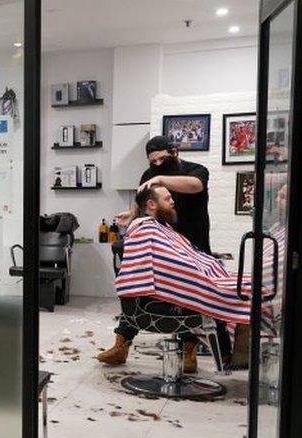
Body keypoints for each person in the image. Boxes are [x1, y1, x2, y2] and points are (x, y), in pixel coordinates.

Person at [99, 136, 241, 370]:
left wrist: (160, 178)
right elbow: (145, 201)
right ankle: (121, 345)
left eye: (161, 159)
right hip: (164, 247)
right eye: (152, 162)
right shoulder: (150, 175)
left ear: (174, 152)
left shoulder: (195, 170)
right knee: (141, 288)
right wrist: (131, 213)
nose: (156, 165)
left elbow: (196, 185)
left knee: (192, 293)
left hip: (191, 246)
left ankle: (190, 353)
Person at [115, 183, 251, 329]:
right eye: (167, 199)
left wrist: (207, 266)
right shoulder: (147, 230)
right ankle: (240, 350)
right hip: (174, 292)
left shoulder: (160, 226)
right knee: (246, 292)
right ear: (151, 204)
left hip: (205, 277)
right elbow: (174, 263)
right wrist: (204, 274)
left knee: (247, 285)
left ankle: (236, 348)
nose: (173, 201)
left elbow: (181, 258)